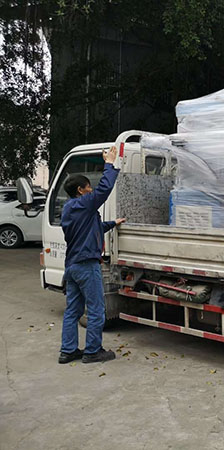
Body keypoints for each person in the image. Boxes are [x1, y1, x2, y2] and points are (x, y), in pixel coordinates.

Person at [58, 145, 126, 364]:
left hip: (72, 266)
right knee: (97, 309)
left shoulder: (70, 208)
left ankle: (68, 351)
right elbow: (104, 189)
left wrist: (112, 223)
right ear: (81, 190)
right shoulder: (85, 204)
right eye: (88, 187)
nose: (91, 190)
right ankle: (93, 351)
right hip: (87, 265)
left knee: (73, 310)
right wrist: (109, 163)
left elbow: (90, 228)